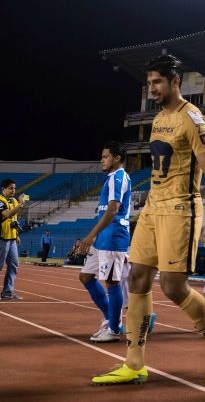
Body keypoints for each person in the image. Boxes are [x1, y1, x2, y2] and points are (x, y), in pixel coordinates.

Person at [92, 54, 205, 385]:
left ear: (175, 82)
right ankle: (134, 362)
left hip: (181, 210)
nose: (152, 88)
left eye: (157, 82)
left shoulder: (193, 119)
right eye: (149, 83)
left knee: (173, 286)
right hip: (154, 209)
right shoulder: (158, 119)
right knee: (137, 279)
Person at [78, 141, 133, 343]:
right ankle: (111, 319)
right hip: (104, 237)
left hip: (113, 236)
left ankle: (115, 328)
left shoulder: (118, 177)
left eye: (105, 157)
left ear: (117, 158)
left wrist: (91, 235)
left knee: (112, 282)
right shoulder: (112, 177)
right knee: (85, 276)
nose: (102, 160)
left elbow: (112, 210)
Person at [0, 178, 28, 301]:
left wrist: (16, 234)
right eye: (10, 188)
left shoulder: (14, 200)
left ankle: (7, 292)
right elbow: (7, 214)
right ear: (3, 189)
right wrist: (20, 205)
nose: (13, 190)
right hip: (0, 238)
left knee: (14, 265)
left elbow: (14, 219)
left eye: (14, 188)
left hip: (11, 239)